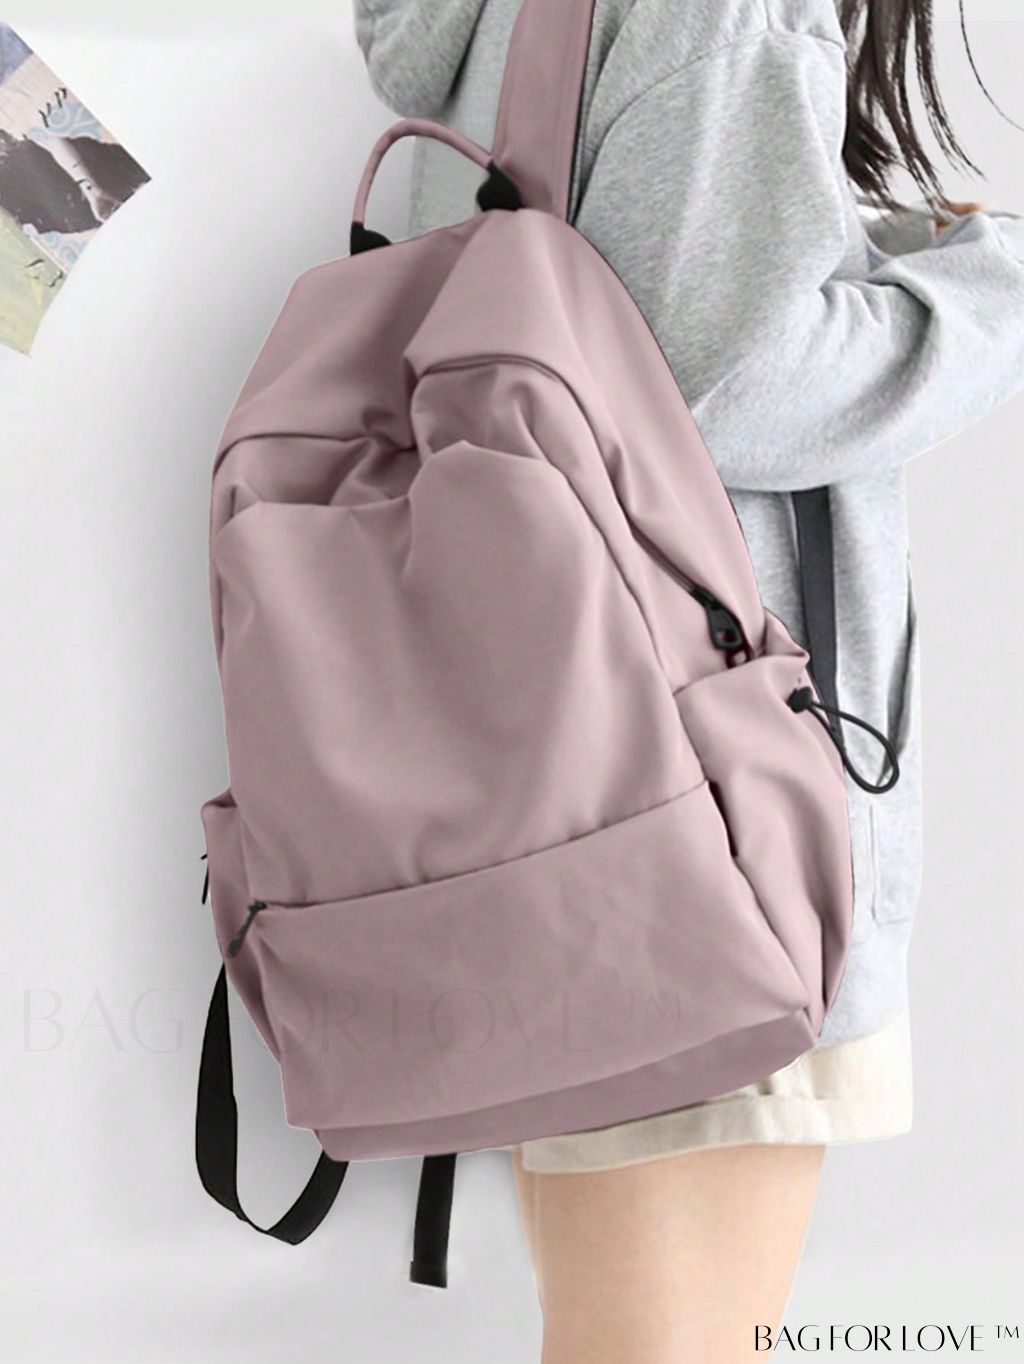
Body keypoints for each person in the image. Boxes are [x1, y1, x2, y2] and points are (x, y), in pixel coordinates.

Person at [355, 1, 1024, 1358]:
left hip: (551, 789)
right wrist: (987, 295)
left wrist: (853, 244)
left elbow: (623, 301)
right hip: (714, 818)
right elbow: (719, 380)